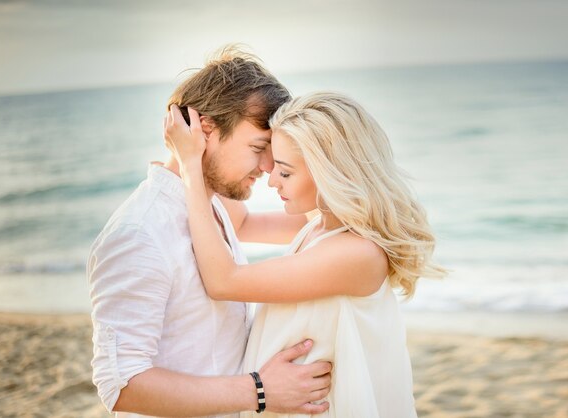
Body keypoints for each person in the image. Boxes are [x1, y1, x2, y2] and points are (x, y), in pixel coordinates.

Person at [164, 91, 447, 417]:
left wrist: (189, 167)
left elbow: (224, 281)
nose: (271, 180)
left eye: (284, 172)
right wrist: (217, 147)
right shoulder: (320, 223)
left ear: (330, 174)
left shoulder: (357, 254)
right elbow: (239, 223)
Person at [88, 47, 332, 418]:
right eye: (257, 148)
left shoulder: (212, 204)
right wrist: (259, 391)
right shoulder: (140, 233)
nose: (268, 168)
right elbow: (122, 384)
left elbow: (308, 222)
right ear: (204, 130)